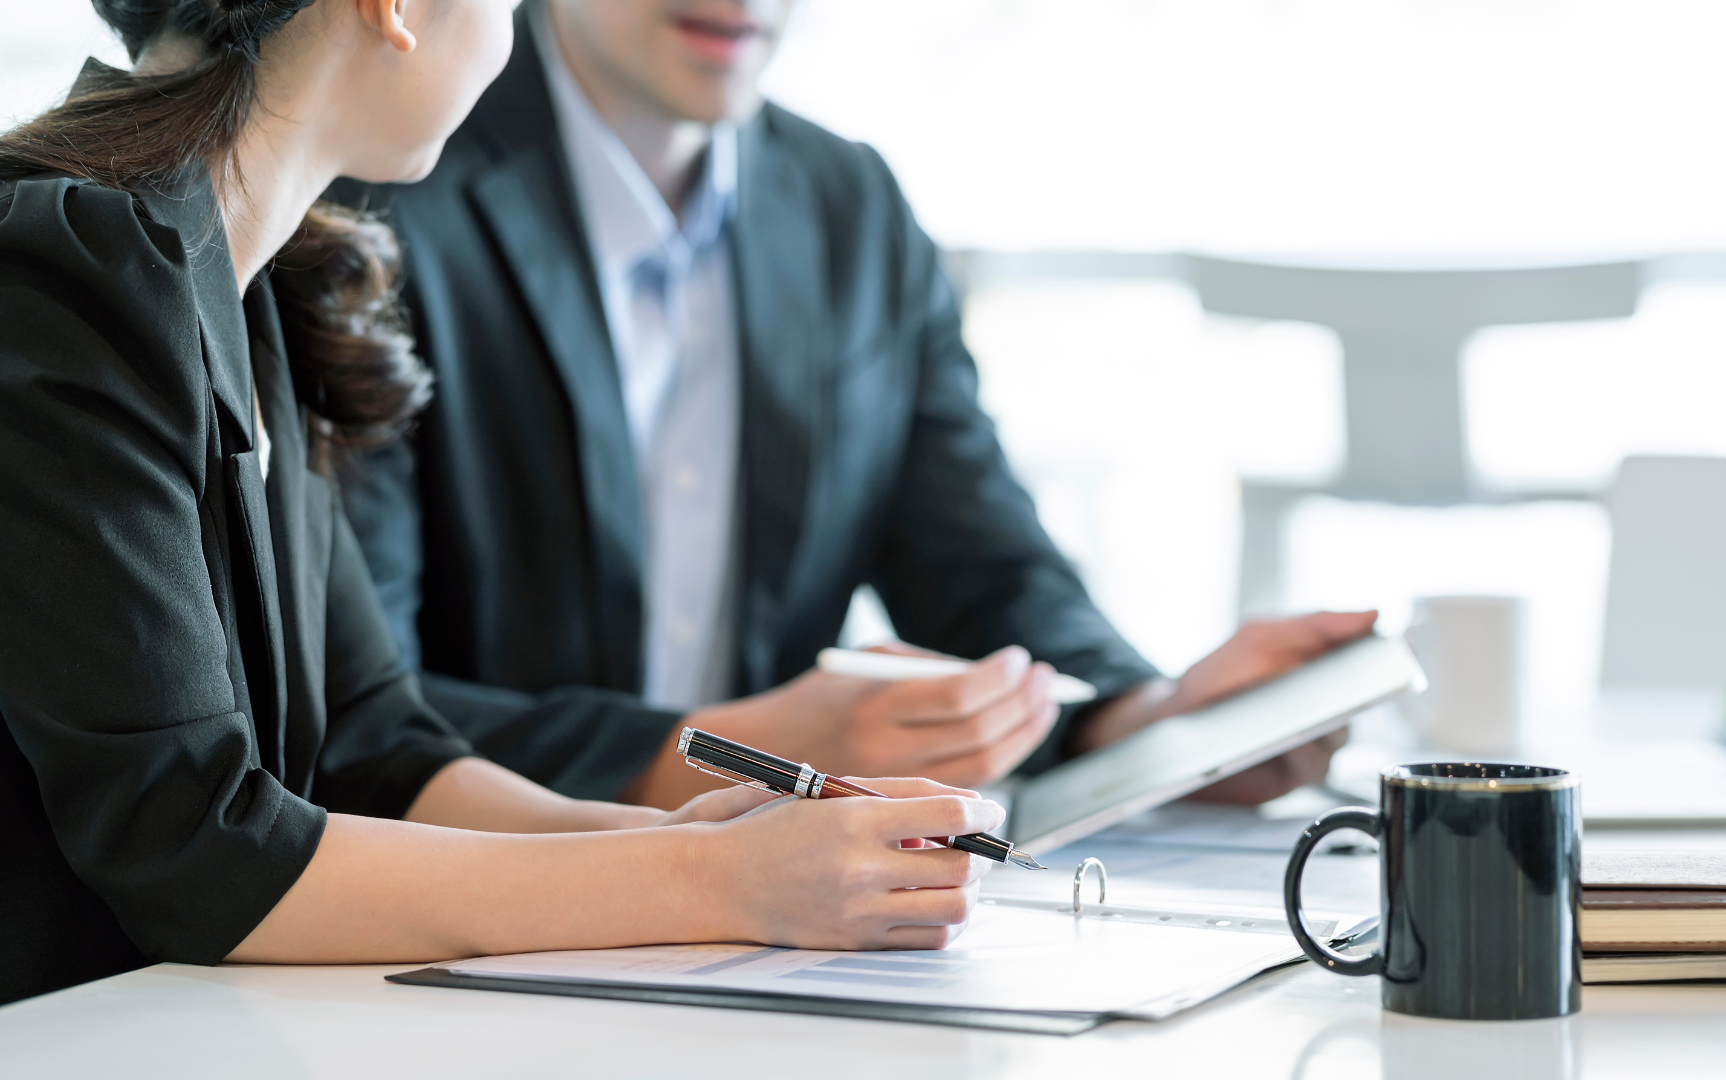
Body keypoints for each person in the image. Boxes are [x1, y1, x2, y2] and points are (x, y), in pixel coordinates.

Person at [0, 0, 996, 1006]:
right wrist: (711, 883)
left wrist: (691, 837)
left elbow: (373, 741)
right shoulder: (67, 268)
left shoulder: (247, 269)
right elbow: (193, 845)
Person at [336, 0, 1375, 811]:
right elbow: (352, 702)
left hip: (784, 920)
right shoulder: (385, 187)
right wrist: (733, 756)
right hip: (471, 906)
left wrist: (1155, 720)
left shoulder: (850, 208)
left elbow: (980, 570)